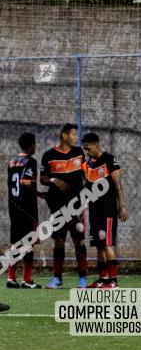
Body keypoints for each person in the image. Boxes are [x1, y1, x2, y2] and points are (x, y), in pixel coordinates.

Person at [40, 124, 88, 289]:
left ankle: (82, 279)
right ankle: (57, 279)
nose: (76, 137)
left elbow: (86, 175)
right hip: (57, 206)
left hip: (76, 205)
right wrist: (54, 180)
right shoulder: (49, 155)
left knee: (79, 240)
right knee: (59, 241)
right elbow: (43, 178)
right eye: (74, 134)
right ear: (64, 135)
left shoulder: (79, 153)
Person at [81, 133, 128, 288]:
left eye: (88, 148)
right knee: (99, 245)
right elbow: (87, 187)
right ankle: (103, 279)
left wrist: (121, 205)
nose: (87, 151)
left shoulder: (109, 160)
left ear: (96, 144)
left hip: (107, 210)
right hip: (94, 210)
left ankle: (113, 281)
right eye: (84, 149)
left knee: (107, 243)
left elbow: (117, 185)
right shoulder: (89, 164)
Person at [7, 132, 41, 288]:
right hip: (27, 208)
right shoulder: (31, 161)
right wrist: (37, 194)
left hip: (13, 206)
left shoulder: (12, 162)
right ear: (31, 145)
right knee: (28, 243)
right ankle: (27, 280)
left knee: (15, 243)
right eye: (35, 144)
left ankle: (10, 278)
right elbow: (26, 182)